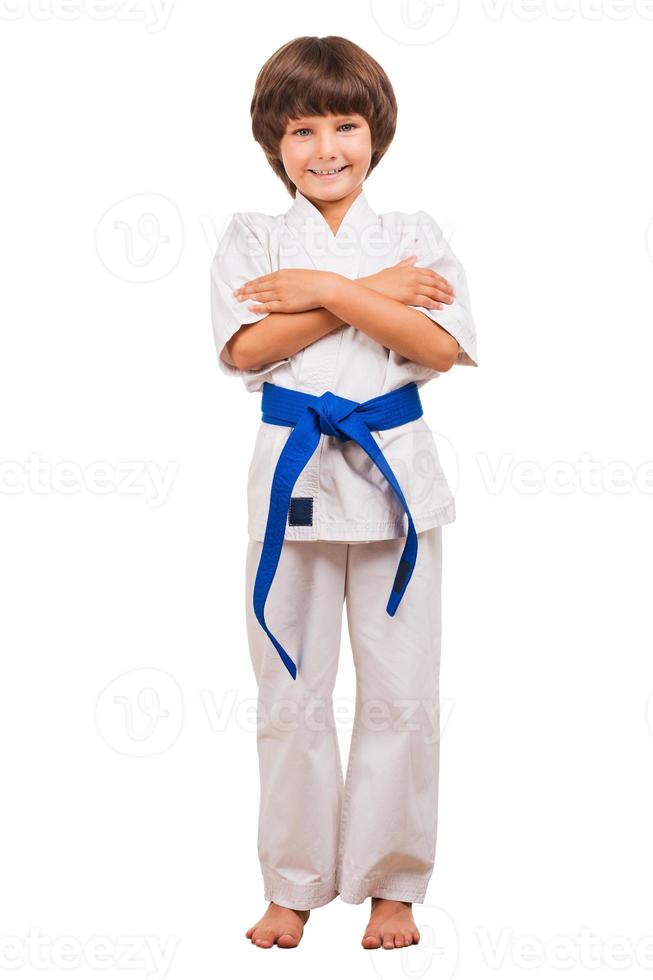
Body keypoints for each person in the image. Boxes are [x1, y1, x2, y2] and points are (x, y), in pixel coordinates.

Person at [209, 34, 478, 951]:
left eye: (346, 125)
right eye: (302, 129)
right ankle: (293, 883)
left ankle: (392, 883)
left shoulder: (418, 235)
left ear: (378, 132)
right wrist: (367, 292)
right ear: (273, 143)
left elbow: (439, 349)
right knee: (289, 690)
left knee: (403, 691)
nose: (326, 148)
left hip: (398, 479)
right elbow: (247, 351)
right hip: (292, 481)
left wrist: (317, 288)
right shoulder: (251, 236)